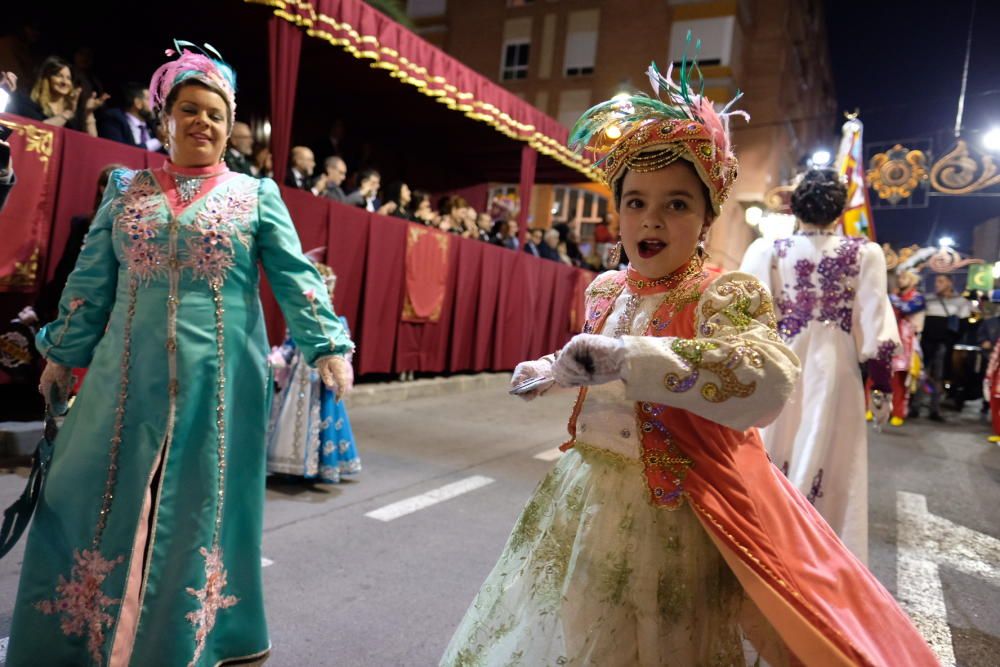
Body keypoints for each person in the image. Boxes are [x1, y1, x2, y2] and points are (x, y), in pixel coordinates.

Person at [442, 55, 937, 667]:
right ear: (616, 213)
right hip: (586, 497)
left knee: (660, 641)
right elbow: (597, 362)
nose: (651, 219)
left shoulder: (722, 292)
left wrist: (629, 357)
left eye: (677, 205)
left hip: (673, 511)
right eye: (635, 202)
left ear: (706, 218)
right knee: (580, 628)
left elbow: (764, 373)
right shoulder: (606, 289)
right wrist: (552, 369)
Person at [6, 42, 354, 667]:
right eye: (189, 110)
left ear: (230, 126)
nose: (203, 122)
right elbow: (90, 283)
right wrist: (61, 354)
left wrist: (326, 345)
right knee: (94, 491)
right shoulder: (126, 187)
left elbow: (295, 276)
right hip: (122, 376)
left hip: (219, 383)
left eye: (216, 114)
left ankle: (193, 637)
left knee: (199, 506)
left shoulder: (255, 195)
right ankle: (88, 631)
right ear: (164, 118)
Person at [739, 169, 899, 562]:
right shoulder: (865, 254)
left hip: (779, 363)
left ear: (795, 205)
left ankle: (764, 540)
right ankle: (816, 553)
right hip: (836, 369)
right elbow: (877, 326)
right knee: (828, 450)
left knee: (776, 444)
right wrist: (881, 386)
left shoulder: (769, 250)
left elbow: (744, 319)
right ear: (840, 208)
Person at [268, 251, 360, 483]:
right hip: (297, 382)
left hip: (320, 382)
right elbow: (290, 347)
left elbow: (344, 352)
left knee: (323, 422)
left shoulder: (337, 323)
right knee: (290, 421)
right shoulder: (298, 322)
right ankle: (290, 466)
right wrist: (278, 358)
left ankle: (319, 466)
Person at [9, 55, 108, 136]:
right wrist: (67, 113)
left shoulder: (74, 113)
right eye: (59, 76)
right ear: (46, 78)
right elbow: (39, 132)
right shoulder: (30, 104)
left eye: (68, 78)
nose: (65, 82)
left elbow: (91, 141)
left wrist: (88, 113)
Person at [919, 273, 973, 420]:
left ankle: (934, 410)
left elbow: (964, 324)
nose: (937, 284)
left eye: (941, 281)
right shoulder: (927, 299)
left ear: (950, 283)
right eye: (936, 281)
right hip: (925, 343)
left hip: (942, 345)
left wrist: (950, 340)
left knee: (939, 376)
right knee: (920, 374)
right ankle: (914, 407)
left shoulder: (960, 301)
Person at [878, 270, 926, 426]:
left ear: (913, 280)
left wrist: (891, 297)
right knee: (885, 377)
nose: (900, 280)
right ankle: (882, 409)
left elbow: (907, 309)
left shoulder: (917, 298)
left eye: (904, 277)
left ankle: (899, 412)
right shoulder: (896, 297)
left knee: (901, 380)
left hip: (908, 344)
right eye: (899, 277)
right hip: (890, 341)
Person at [96, 83, 161, 151]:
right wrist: (159, 141)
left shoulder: (153, 127)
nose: (155, 104)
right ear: (137, 103)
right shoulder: (113, 119)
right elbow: (118, 151)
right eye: (150, 99)